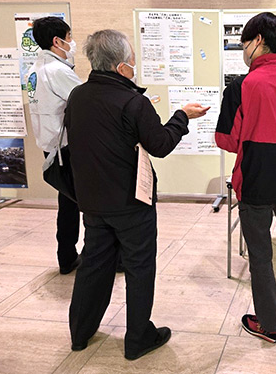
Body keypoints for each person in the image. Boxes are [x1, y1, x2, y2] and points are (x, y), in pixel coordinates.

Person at [65, 29, 209, 360]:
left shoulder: (78, 96)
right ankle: (138, 338)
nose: (134, 64)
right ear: (120, 67)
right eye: (131, 59)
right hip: (131, 202)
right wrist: (182, 117)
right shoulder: (133, 102)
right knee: (139, 267)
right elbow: (160, 144)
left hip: (92, 200)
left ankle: (80, 333)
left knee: (93, 265)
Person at [215, 12, 276, 343]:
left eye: (244, 42)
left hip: (255, 182)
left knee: (260, 256)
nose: (243, 50)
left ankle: (271, 325)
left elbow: (226, 140)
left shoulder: (241, 86)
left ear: (257, 40)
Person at [27, 16, 82, 275]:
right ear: (57, 41)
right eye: (70, 37)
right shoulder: (57, 71)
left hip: (51, 145)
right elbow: (85, 100)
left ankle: (67, 257)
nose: (72, 42)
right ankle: (98, 259)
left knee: (68, 201)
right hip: (67, 147)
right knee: (87, 201)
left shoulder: (35, 69)